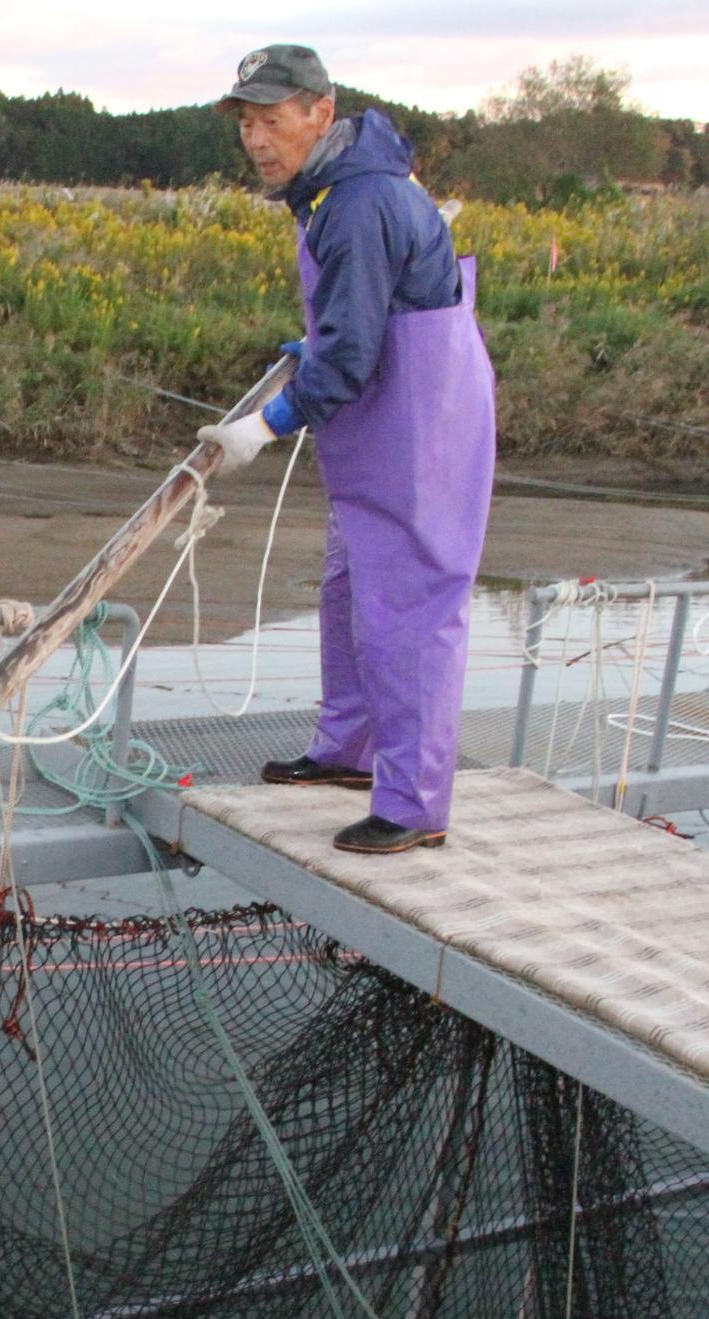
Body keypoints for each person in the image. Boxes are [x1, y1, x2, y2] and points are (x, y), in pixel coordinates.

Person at [201, 44, 496, 855]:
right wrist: (319, 337)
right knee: (348, 591)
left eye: (273, 120)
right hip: (381, 428)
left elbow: (356, 354)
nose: (258, 140)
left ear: (320, 112)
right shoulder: (333, 188)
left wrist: (262, 426)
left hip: (418, 432)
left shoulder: (359, 199)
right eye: (248, 124)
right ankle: (349, 750)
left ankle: (413, 805)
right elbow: (365, 310)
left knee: (408, 610)